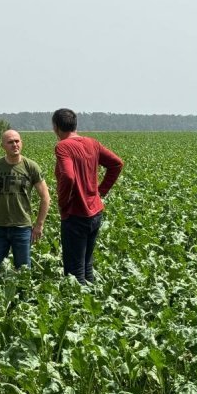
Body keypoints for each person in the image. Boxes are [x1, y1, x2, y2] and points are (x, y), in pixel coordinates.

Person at [52, 108, 123, 284]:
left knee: (75, 272)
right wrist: (100, 191)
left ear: (56, 127)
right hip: (95, 212)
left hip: (75, 214)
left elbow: (68, 176)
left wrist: (63, 202)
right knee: (86, 264)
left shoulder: (63, 146)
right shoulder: (92, 143)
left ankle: (78, 307)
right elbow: (116, 164)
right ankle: (92, 303)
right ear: (75, 125)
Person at [0, 129, 50, 270]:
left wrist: (39, 225)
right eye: (10, 142)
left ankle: (23, 293)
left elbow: (45, 197)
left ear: (21, 143)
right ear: (2, 145)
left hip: (22, 227)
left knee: (23, 271)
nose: (14, 144)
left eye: (17, 141)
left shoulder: (31, 166)